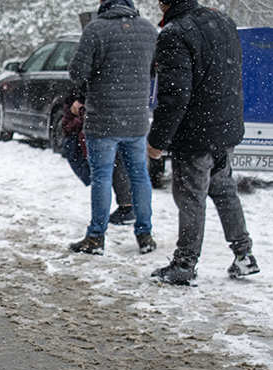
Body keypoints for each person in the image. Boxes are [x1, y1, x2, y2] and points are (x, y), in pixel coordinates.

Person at [148, 0, 260, 285]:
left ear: (164, 4)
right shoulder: (222, 21)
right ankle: (244, 254)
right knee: (223, 189)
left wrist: (157, 141)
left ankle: (184, 264)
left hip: (197, 133)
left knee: (190, 197)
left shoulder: (174, 33)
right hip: (226, 128)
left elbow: (174, 96)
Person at [66, 0, 157, 255]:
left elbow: (76, 73)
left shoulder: (95, 30)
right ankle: (145, 235)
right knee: (139, 176)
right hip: (137, 119)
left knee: (102, 177)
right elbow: (153, 70)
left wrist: (99, 72)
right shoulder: (149, 30)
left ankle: (96, 237)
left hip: (103, 119)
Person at [63, 92, 136, 225]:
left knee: (106, 169)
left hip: (106, 110)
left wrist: (82, 98)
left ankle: (122, 210)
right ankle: (129, 209)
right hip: (125, 110)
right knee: (120, 164)